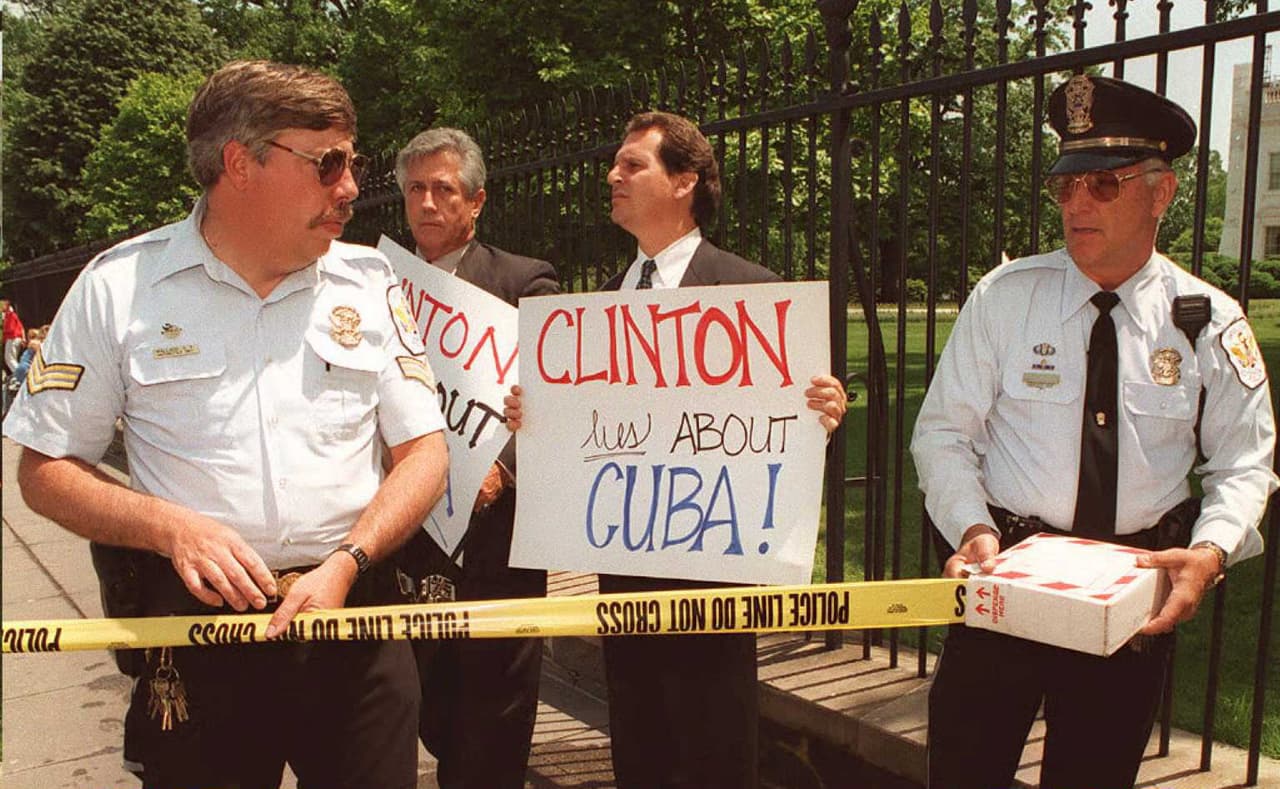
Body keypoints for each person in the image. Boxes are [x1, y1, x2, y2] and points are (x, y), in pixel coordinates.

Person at [2, 60, 450, 789]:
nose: (350, 187)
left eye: (353, 161)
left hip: (352, 621)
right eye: (327, 162)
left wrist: (348, 561)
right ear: (241, 163)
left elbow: (425, 452)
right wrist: (170, 529)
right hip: (197, 632)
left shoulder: (368, 282)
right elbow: (43, 471)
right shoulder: (120, 287)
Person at [912, 74, 1278, 789]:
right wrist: (971, 528)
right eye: (1064, 185)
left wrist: (1208, 552)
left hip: (1131, 593)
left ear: (1161, 193)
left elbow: (1245, 461)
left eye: (1103, 185)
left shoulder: (1208, 319)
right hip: (1007, 576)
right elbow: (943, 434)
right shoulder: (1007, 297)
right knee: (963, 769)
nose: (1077, 203)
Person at [504, 110, 848, 789]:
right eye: (617, 163)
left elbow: (781, 439)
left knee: (715, 749)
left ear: (685, 181)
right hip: (623, 571)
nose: (614, 175)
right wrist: (539, 417)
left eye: (634, 165)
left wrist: (822, 417)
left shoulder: (752, 291)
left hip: (713, 573)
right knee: (641, 747)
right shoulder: (602, 303)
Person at [392, 127, 559, 788]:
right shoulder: (372, 286)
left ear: (476, 200)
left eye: (443, 189)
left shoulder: (525, 282)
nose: (428, 202)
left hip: (495, 540)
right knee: (422, 713)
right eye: (415, 189)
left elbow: (553, 396)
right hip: (401, 541)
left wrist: (505, 465)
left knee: (491, 730)